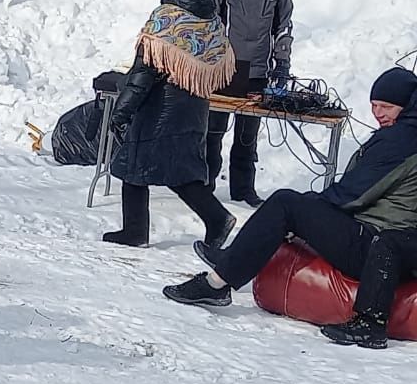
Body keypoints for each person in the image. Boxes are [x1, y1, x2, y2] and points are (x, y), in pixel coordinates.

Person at [164, 67, 417, 351]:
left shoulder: (401, 139)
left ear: (407, 106)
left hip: (375, 244)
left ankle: (218, 282)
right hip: (384, 239)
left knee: (286, 203)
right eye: (373, 106)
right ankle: (229, 264)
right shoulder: (405, 133)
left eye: (387, 107)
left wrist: (307, 212)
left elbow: (352, 195)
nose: (378, 113)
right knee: (295, 207)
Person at [102, 0, 237, 250]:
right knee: (180, 170)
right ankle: (215, 219)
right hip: (195, 104)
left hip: (161, 106)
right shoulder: (213, 21)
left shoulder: (167, 17)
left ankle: (137, 231)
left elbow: (143, 71)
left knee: (133, 166)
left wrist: (122, 110)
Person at [206, 0, 295, 207]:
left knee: (247, 137)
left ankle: (243, 189)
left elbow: (284, 28)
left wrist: (282, 64)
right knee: (213, 131)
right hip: (224, 68)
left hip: (258, 70)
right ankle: (205, 184)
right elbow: (210, 24)